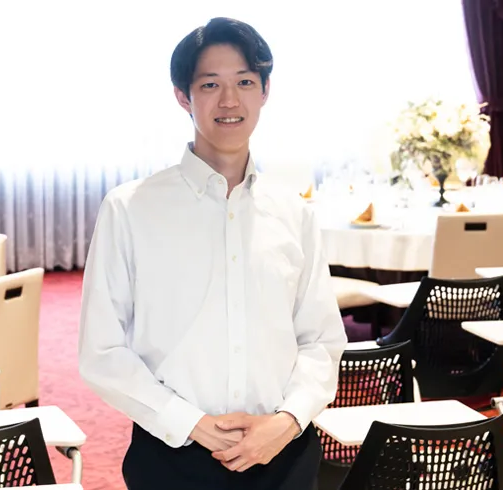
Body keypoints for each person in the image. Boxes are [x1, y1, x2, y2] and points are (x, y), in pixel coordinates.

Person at [78, 16, 348, 490]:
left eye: (244, 82)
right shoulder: (130, 209)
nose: (229, 100)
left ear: (265, 91)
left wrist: (286, 422)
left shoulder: (293, 212)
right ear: (183, 96)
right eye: (210, 84)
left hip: (283, 455)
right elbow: (102, 351)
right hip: (173, 455)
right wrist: (192, 424)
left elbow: (321, 341)